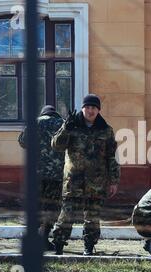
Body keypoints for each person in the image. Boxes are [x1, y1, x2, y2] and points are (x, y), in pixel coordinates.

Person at [51, 94, 120, 255]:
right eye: (87, 107)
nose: (90, 111)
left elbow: (112, 157)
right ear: (82, 108)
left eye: (94, 108)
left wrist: (114, 181)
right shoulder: (71, 126)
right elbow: (56, 145)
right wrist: (65, 128)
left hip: (96, 181)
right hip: (73, 180)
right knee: (67, 214)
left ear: (98, 110)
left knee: (92, 217)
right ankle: (58, 244)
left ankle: (89, 246)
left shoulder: (106, 130)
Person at [18, 105, 64, 250]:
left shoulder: (35, 122)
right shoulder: (62, 123)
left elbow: (23, 141)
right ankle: (44, 238)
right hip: (57, 174)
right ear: (55, 113)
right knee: (52, 206)